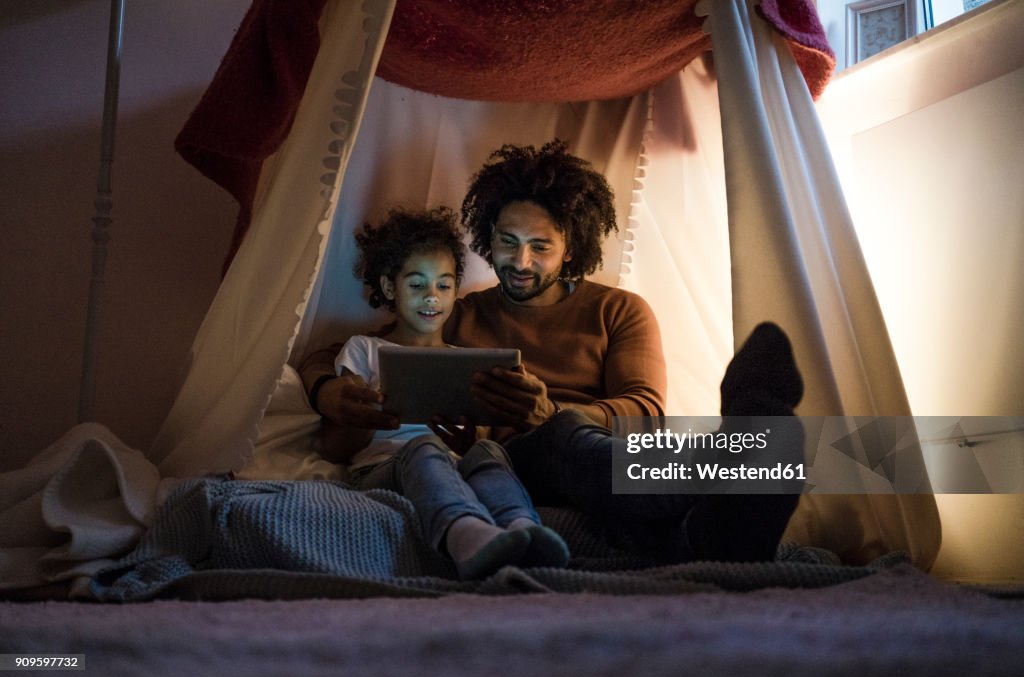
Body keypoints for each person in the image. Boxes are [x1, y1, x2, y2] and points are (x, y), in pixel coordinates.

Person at [303, 141, 801, 563]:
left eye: (540, 247)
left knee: (574, 443)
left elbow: (646, 414)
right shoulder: (457, 311)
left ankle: (723, 531)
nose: (520, 262)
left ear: (571, 247)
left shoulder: (618, 310)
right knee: (559, 439)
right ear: (488, 239)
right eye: (507, 242)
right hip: (508, 468)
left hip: (595, 457)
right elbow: (341, 354)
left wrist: (552, 412)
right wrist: (329, 392)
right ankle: (737, 461)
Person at [325, 206, 570, 580]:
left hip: (452, 465)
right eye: (417, 284)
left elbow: (478, 439)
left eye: (443, 285)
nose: (431, 297)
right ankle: (465, 535)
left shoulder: (464, 361)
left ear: (456, 289)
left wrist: (473, 438)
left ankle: (521, 527)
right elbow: (337, 443)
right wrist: (369, 413)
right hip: (382, 468)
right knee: (423, 446)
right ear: (390, 287)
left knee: (490, 451)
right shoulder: (364, 349)